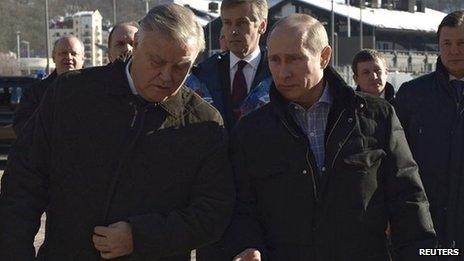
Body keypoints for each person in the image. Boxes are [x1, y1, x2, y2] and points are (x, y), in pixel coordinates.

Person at [0, 4, 234, 261]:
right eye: (157, 62)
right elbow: (22, 184)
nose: (167, 76)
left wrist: (140, 236)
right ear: (136, 43)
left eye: (181, 67)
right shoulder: (72, 94)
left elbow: (213, 213)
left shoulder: (203, 124)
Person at [225, 13, 436, 261]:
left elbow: (408, 200)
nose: (283, 72)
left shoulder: (375, 116)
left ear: (324, 56)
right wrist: (248, 245)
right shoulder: (252, 130)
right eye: (274, 60)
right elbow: (241, 208)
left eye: (294, 59)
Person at [394, 10, 464, 254]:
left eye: (461, 43)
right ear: (438, 46)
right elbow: (394, 159)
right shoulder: (412, 95)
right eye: (447, 43)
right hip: (423, 224)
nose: (454, 50)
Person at [186, 0, 271, 129]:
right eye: (227, 23)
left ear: (262, 26)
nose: (233, 31)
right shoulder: (203, 75)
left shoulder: (276, 73)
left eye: (241, 23)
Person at [13, 35, 85, 134]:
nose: (68, 57)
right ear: (54, 58)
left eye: (73, 53)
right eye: (63, 53)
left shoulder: (95, 90)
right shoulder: (35, 92)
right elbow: (22, 126)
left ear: (82, 58)